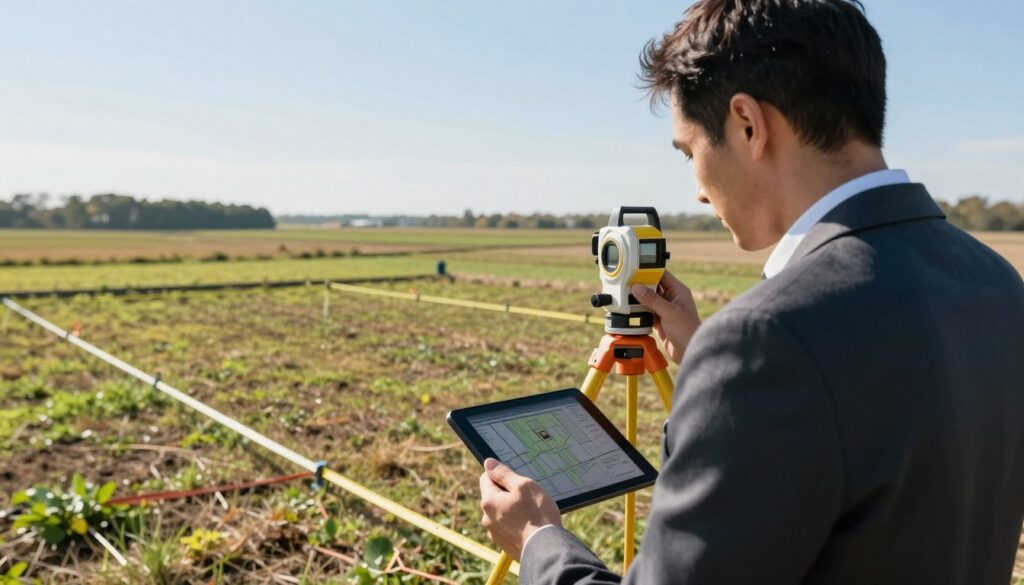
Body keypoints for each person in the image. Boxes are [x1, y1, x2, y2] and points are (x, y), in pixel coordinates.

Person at [477, 1, 1024, 583]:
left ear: (747, 124)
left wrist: (538, 540)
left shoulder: (766, 341)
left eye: (690, 152)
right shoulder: (994, 282)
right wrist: (713, 365)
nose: (699, 193)